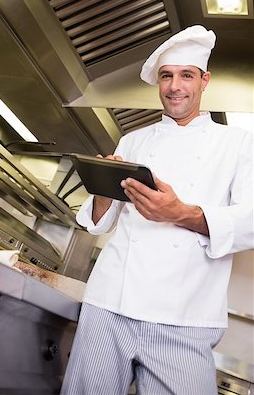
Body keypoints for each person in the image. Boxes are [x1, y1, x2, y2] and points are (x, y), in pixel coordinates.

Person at [60, 25, 253, 395]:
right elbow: (101, 224)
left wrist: (180, 212)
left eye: (186, 75)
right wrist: (103, 190)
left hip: (185, 317)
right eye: (167, 76)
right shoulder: (133, 140)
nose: (175, 86)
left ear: (204, 80)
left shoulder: (240, 144)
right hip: (110, 305)